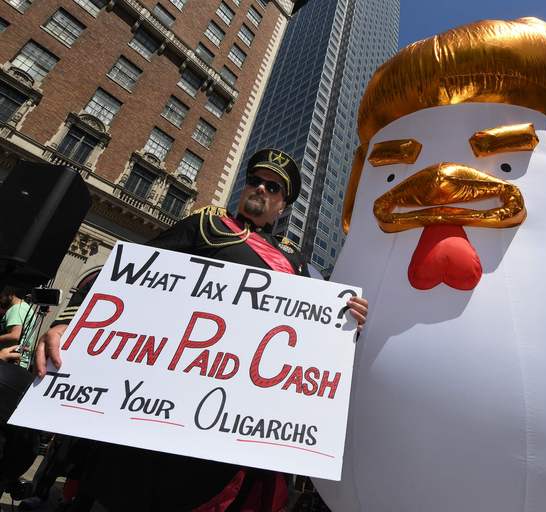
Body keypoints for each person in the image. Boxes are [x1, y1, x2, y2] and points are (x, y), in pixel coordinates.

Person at [33, 148, 368, 512]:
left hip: (233, 422)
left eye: (272, 187)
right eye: (254, 180)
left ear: (282, 206)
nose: (260, 189)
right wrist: (70, 321)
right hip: (159, 406)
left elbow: (313, 336)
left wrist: (348, 319)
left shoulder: (295, 263)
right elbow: (127, 276)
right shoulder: (205, 225)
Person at [0, 286, 35, 361]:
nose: (0, 300)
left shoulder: (16, 309)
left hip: (11, 359)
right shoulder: (24, 306)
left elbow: (15, 336)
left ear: (10, 295)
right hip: (18, 358)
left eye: (1, 297)